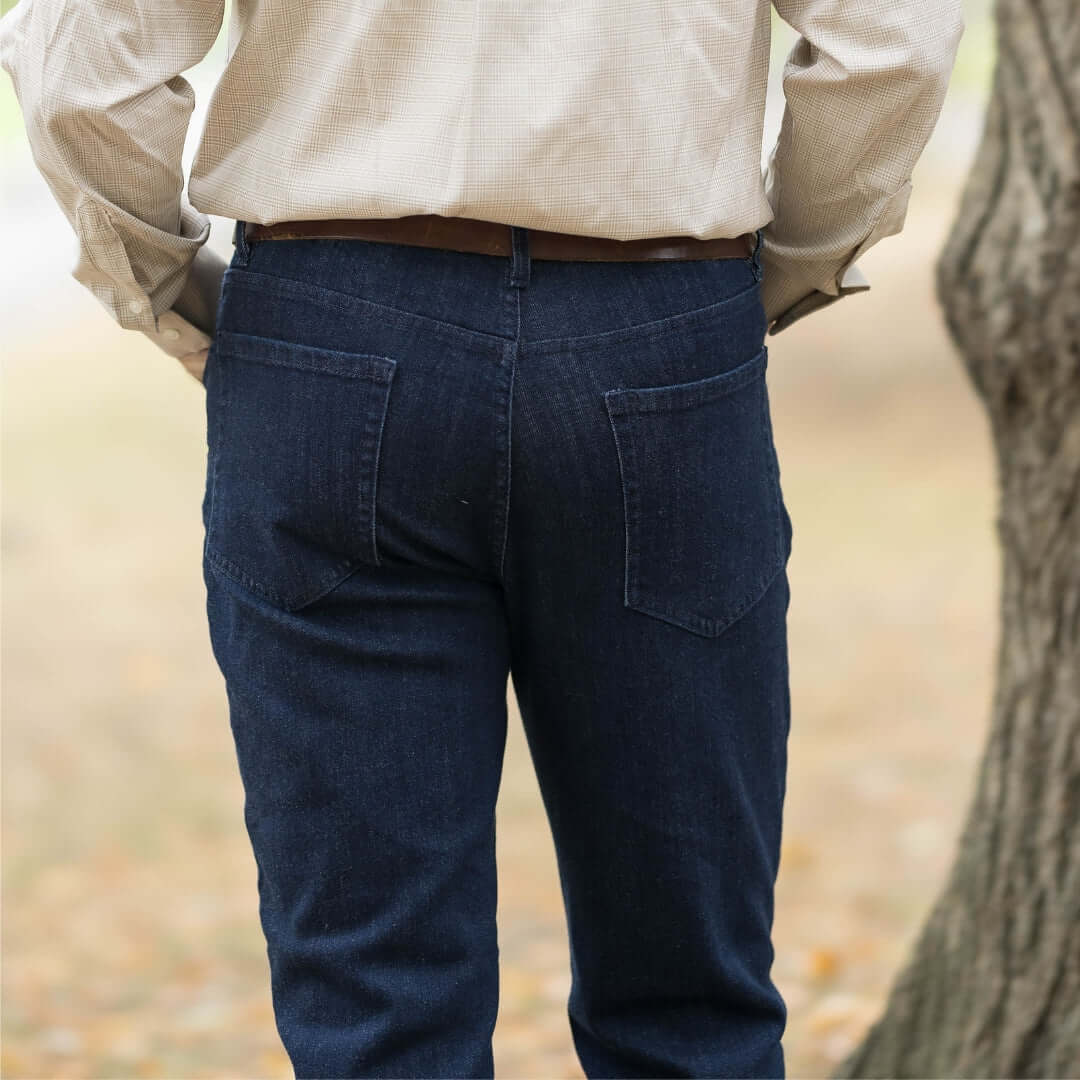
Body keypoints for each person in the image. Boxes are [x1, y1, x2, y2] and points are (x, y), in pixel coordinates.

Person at [0, 0, 963, 1075]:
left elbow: (83, 71)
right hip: (661, 334)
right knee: (692, 1004)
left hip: (330, 329)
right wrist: (782, 269)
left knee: (378, 1006)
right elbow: (895, 41)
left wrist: (165, 285)